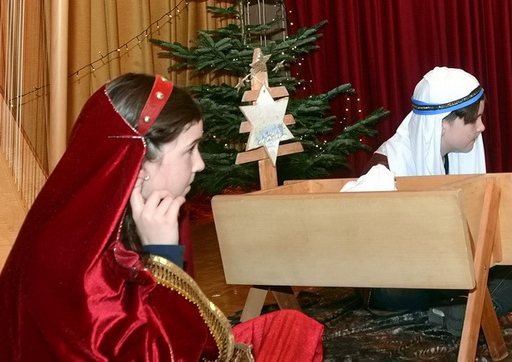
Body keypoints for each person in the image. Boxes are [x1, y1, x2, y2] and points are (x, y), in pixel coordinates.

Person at [0, 73, 324, 361]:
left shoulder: (160, 212)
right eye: (189, 150)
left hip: (173, 340)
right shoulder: (81, 269)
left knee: (295, 328)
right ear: (140, 162)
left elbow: (188, 329)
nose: (200, 164)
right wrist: (163, 257)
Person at [365, 66, 512, 336]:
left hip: (455, 266)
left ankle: (460, 305)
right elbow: (386, 250)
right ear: (443, 123)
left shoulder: (453, 149)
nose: (482, 127)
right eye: (474, 120)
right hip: (401, 281)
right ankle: (472, 312)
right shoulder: (384, 168)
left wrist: (502, 235)